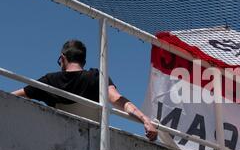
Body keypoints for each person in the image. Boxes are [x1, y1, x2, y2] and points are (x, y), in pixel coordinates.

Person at [12, 40, 158, 141]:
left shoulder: (50, 80)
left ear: (63, 58)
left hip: (57, 141)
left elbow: (14, 96)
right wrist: (145, 120)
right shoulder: (96, 77)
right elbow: (119, 100)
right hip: (92, 143)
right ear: (84, 61)